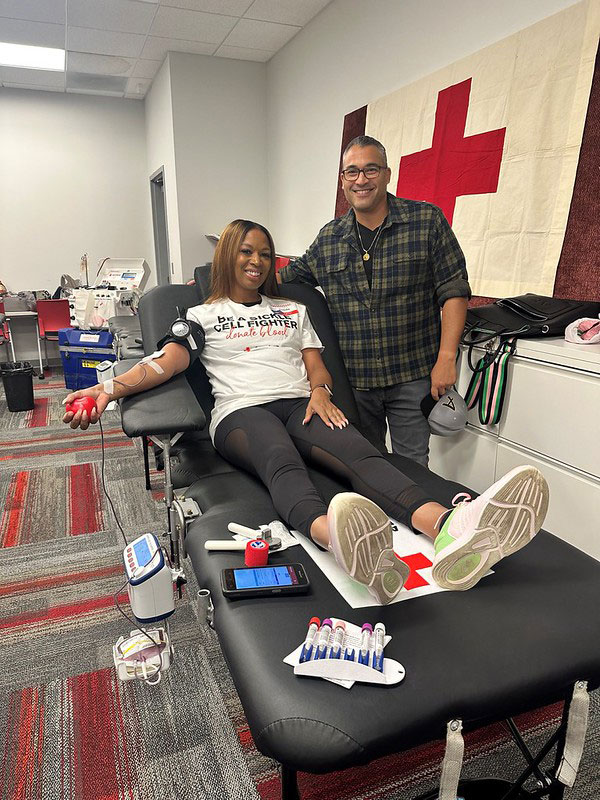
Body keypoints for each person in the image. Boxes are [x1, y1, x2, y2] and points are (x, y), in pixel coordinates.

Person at [63, 219, 548, 605]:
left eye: (265, 254)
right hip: (240, 413)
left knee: (362, 453)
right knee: (280, 458)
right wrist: (107, 389)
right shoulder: (200, 317)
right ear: (226, 256)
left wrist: (320, 391)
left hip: (300, 403)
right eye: (246, 251)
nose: (256, 261)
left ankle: (449, 530)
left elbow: (317, 367)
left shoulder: (293, 310)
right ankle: (340, 542)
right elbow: (165, 363)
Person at [277, 135, 470, 466]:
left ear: (387, 173)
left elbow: (454, 290)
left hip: (412, 376)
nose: (361, 180)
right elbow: (285, 278)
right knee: (365, 466)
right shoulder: (329, 239)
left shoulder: (426, 222)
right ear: (342, 181)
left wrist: (447, 357)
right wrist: (217, 279)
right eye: (351, 172)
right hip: (355, 383)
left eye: (370, 169)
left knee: (413, 467)